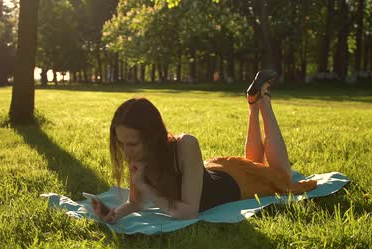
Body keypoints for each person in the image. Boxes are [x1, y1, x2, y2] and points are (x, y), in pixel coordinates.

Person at [91, 70, 317, 223]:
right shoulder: (139, 153)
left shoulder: (186, 144)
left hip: (236, 184)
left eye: (132, 143)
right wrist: (113, 215)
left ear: (151, 135)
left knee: (283, 177)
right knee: (256, 164)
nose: (127, 151)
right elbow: (135, 202)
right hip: (216, 171)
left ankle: (264, 102)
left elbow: (189, 211)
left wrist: (146, 187)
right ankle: (253, 103)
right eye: (121, 144)